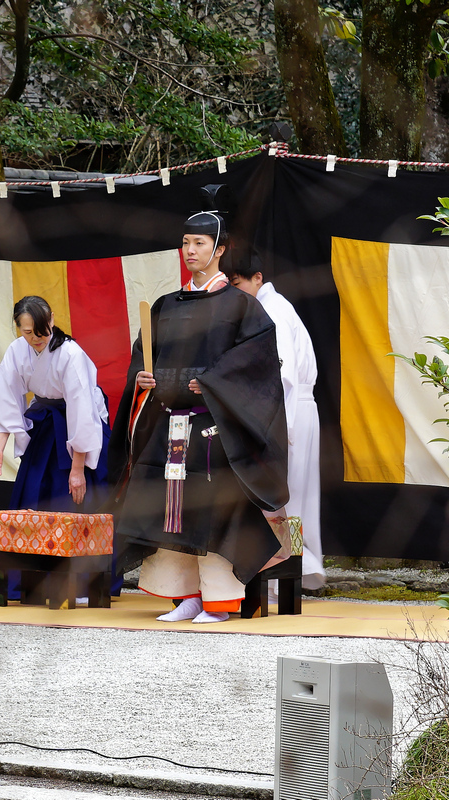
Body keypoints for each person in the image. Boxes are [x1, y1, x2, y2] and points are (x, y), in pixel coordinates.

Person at [108, 197, 289, 624]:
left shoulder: (241, 306)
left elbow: (257, 363)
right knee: (171, 512)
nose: (190, 251)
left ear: (219, 249)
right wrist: (142, 380)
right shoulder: (166, 306)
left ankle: (220, 601)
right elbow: (143, 356)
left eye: (199, 243)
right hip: (168, 426)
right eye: (185, 243)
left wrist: (212, 383)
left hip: (213, 429)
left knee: (212, 512)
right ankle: (185, 596)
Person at [227, 256, 325, 591]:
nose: (235, 292)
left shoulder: (273, 311)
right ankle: (292, 575)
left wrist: (283, 431)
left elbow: (283, 377)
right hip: (292, 408)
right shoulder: (268, 308)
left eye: (238, 284)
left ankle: (286, 576)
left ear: (257, 278)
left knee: (284, 499)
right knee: (290, 500)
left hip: (289, 410)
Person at [0, 295, 110, 511]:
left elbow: (82, 411)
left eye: (41, 329)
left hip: (78, 427)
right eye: (28, 332)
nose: (36, 337)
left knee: (75, 496)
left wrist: (78, 469)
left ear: (51, 319)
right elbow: (6, 397)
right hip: (45, 423)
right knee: (34, 490)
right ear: (19, 328)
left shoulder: (71, 354)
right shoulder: (17, 350)